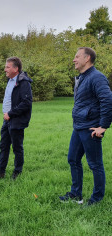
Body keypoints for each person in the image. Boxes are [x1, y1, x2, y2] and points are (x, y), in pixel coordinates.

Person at [59, 47, 112, 206]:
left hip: (91, 128)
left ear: (87, 58)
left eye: (77, 56)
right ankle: (76, 194)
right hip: (79, 126)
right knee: (73, 159)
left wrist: (103, 126)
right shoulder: (83, 77)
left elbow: (107, 101)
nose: (74, 59)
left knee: (95, 164)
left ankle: (97, 199)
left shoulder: (97, 77)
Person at [0, 57, 32, 180]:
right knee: (4, 146)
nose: (5, 69)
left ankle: (17, 173)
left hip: (15, 119)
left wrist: (11, 113)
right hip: (6, 120)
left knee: (17, 147)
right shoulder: (11, 80)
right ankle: (0, 172)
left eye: (7, 67)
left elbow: (26, 102)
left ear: (15, 68)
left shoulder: (23, 82)